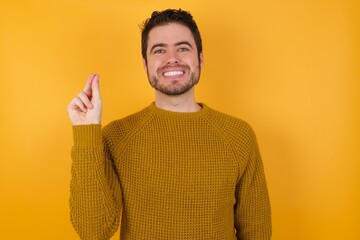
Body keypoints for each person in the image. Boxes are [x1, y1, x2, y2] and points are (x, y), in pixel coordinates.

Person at [67, 9, 272, 240]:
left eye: (183, 48)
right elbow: (93, 231)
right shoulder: (116, 136)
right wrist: (86, 132)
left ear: (200, 58)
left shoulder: (239, 135)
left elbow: (257, 232)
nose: (171, 58)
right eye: (159, 50)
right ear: (145, 64)